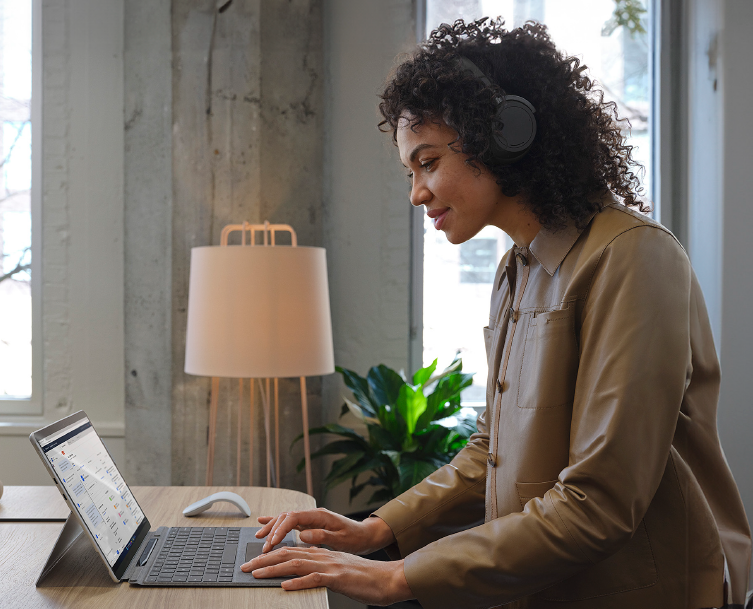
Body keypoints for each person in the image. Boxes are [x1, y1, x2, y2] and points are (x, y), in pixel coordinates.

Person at [240, 18, 752, 609]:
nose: (416, 193)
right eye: (411, 171)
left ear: (502, 134)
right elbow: (494, 446)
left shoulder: (634, 259)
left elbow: (602, 504)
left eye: (427, 162)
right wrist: (378, 529)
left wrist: (396, 577)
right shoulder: (517, 268)